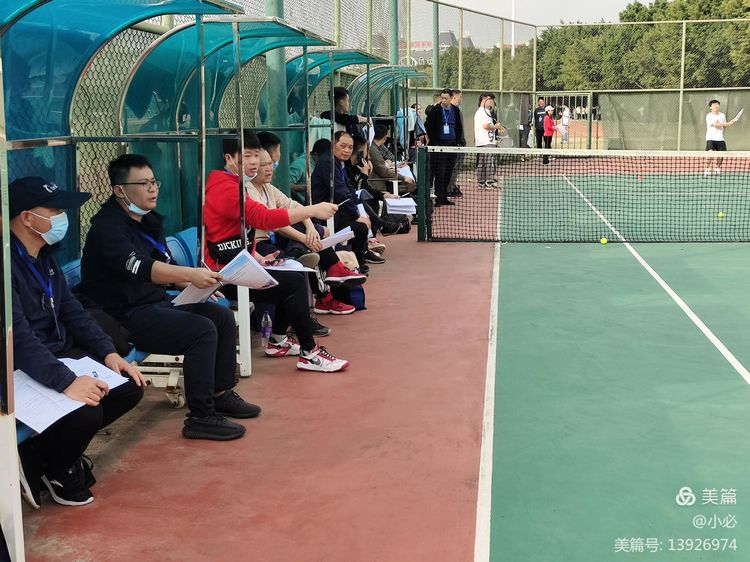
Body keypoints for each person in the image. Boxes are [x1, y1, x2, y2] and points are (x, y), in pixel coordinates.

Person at [80, 154, 259, 442]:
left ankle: (220, 393)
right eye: (143, 183)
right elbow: (143, 266)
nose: (153, 189)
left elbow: (163, 261)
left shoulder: (146, 220)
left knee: (221, 317)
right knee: (201, 331)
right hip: (124, 316)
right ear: (119, 190)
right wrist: (191, 274)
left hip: (155, 303)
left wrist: (197, 285)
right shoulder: (107, 229)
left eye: (154, 182)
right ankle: (200, 417)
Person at [10, 176, 145, 507]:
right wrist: (67, 382)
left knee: (128, 387)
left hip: (59, 355)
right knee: (86, 412)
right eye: (55, 210)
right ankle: (58, 469)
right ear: (26, 218)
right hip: (19, 368)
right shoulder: (5, 264)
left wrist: (109, 354)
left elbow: (73, 311)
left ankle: (42, 456)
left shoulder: (44, 256)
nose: (63, 218)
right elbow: (19, 340)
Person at [203, 134, 352, 368]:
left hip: (238, 264)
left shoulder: (234, 184)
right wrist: (312, 210)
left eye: (256, 156)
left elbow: (230, 236)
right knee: (292, 283)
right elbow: (263, 218)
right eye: (247, 156)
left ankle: (278, 341)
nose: (254, 162)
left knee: (291, 273)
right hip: (223, 273)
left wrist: (258, 257)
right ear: (229, 159)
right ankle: (310, 353)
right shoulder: (225, 188)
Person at [247, 148, 366, 317]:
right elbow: (273, 221)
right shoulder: (248, 190)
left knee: (313, 230)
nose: (269, 168)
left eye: (270, 164)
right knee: (310, 242)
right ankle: (326, 273)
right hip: (259, 245)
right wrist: (305, 237)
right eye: (263, 165)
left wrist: (310, 228)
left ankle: (316, 262)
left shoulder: (268, 188)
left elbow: (294, 206)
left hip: (276, 239)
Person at [311, 131, 374, 272]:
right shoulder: (328, 162)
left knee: (364, 221)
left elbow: (349, 189)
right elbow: (340, 192)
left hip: (335, 211)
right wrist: (357, 216)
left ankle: (358, 260)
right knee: (360, 227)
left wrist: (360, 212)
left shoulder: (339, 163)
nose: (346, 150)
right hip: (322, 216)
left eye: (350, 147)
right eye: (343, 146)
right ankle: (357, 263)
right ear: (333, 144)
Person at [424, 88, 464, 207]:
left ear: (451, 98)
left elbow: (459, 127)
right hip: (439, 146)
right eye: (442, 98)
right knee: (439, 172)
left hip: (452, 145)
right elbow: (428, 125)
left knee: (448, 171)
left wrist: (457, 141)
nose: (443, 100)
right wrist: (435, 142)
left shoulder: (455, 110)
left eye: (446, 98)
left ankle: (444, 196)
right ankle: (439, 198)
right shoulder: (436, 110)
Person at [369, 124, 416, 197]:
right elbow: (383, 171)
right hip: (378, 184)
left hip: (381, 179)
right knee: (412, 186)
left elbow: (381, 166)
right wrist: (403, 177)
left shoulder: (374, 147)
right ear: (385, 138)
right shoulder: (373, 149)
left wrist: (392, 166)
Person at [474, 95, 506, 189]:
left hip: (486, 141)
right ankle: (489, 182)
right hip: (486, 142)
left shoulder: (484, 111)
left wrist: (494, 136)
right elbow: (485, 126)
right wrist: (496, 127)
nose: (492, 102)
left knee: (483, 163)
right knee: (489, 162)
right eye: (490, 100)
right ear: (484, 100)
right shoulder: (483, 111)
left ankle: (481, 182)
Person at [289, 139, 331, 203]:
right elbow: (286, 185)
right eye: (324, 158)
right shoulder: (300, 165)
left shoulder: (321, 163)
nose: (326, 161)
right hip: (302, 203)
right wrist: (306, 187)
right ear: (315, 154)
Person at [705, 99, 737, 176]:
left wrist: (730, 123)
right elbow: (716, 125)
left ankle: (717, 168)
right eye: (714, 105)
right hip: (710, 138)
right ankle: (707, 169)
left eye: (717, 104)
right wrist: (727, 123)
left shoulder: (722, 115)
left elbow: (724, 125)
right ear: (710, 107)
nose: (716, 106)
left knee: (721, 155)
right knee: (710, 154)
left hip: (720, 139)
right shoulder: (709, 115)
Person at [446, 89, 466, 198]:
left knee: (456, 167)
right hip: (455, 145)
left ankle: (452, 186)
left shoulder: (457, 110)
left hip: (459, 144)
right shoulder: (450, 111)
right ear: (454, 97)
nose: (461, 99)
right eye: (460, 97)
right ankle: (449, 189)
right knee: (453, 167)